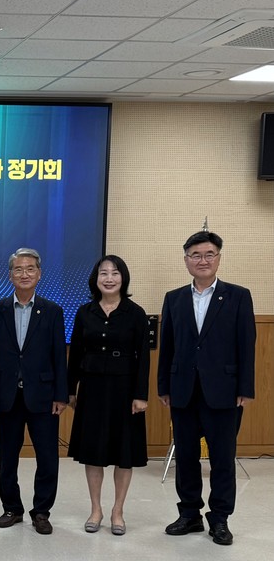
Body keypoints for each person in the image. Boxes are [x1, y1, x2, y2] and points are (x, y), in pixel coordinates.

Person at [158, 231, 255, 546]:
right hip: (183, 390)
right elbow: (167, 346)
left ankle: (220, 519)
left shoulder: (238, 296)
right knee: (186, 456)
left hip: (224, 390)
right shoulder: (174, 298)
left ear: (218, 258)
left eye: (209, 254)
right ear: (186, 260)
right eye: (196, 255)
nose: (203, 260)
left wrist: (245, 387)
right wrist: (163, 386)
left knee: (223, 459)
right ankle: (189, 515)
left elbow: (246, 345)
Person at [0, 247, 68, 535]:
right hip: (7, 395)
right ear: (10, 275)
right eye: (18, 269)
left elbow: (59, 355)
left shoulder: (53, 311)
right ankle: (12, 508)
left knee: (47, 457)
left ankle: (41, 511)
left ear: (39, 274)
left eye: (30, 268)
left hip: (43, 396)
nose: (24, 274)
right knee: (8, 457)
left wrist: (61, 395)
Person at [67, 255, 149, 536]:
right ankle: (96, 509)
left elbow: (143, 357)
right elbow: (76, 353)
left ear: (123, 278)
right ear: (96, 278)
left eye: (115, 273)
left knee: (123, 453)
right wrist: (70, 389)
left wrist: (141, 394)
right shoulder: (84, 312)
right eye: (104, 273)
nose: (109, 278)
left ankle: (118, 511)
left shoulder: (135, 313)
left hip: (125, 390)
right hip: (92, 388)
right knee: (93, 452)